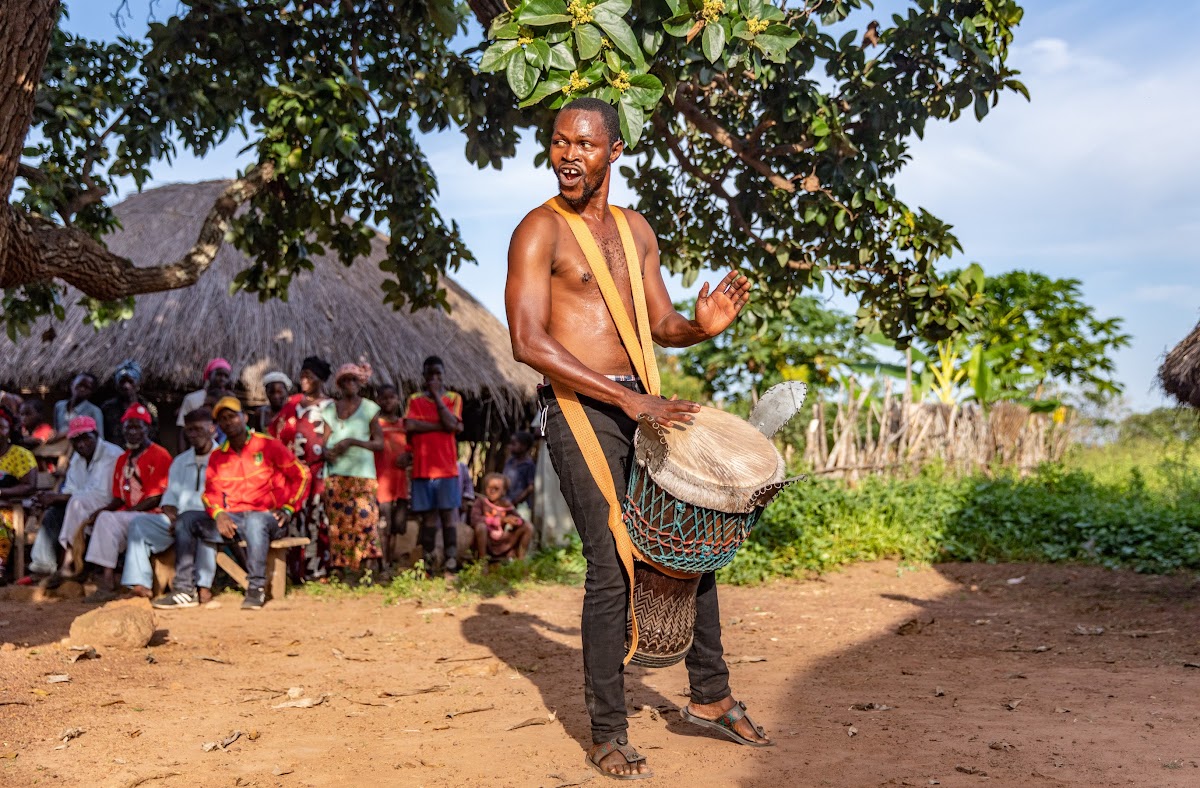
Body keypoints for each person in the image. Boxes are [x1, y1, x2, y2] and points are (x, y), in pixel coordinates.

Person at [505, 98, 761, 778]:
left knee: (689, 537)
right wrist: (627, 398)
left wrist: (702, 325)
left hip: (640, 400)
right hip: (581, 407)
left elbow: (660, 321)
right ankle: (608, 730)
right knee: (613, 561)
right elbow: (527, 341)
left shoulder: (635, 229)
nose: (568, 155)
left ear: (614, 152)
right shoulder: (539, 231)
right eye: (559, 143)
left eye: (583, 144)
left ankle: (709, 696)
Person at [205, 397, 310, 609]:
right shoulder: (217, 456)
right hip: (235, 518)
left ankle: (256, 587)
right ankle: (187, 587)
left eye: (232, 416)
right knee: (189, 521)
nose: (228, 422)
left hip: (270, 518)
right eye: (222, 419)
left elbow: (302, 475)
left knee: (255, 521)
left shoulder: (268, 445)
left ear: (244, 417)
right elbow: (210, 494)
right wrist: (218, 514)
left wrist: (289, 509)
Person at [124, 408, 220, 605]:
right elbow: (169, 499)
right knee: (139, 524)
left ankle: (202, 587)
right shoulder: (180, 461)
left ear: (212, 429)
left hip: (211, 519)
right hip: (177, 521)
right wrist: (173, 515)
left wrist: (185, 522)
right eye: (189, 431)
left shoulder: (222, 458)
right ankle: (140, 584)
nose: (193, 435)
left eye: (199, 429)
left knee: (200, 529)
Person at [83, 404, 172, 602]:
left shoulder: (160, 454)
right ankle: (107, 580)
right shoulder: (123, 459)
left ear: (147, 429)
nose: (132, 433)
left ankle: (114, 582)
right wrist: (102, 510)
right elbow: (118, 497)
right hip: (128, 515)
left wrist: (128, 512)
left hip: (154, 515)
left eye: (137, 427)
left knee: (111, 520)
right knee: (104, 518)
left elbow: (157, 496)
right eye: (128, 428)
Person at [31, 417, 123, 583]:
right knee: (54, 512)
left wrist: (58, 497)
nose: (81, 444)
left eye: (86, 438)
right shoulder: (77, 458)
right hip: (81, 505)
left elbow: (101, 494)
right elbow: (71, 489)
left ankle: (69, 562)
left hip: (109, 506)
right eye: (76, 440)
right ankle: (43, 566)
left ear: (96, 434)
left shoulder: (111, 455)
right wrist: (52, 498)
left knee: (74, 503)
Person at [320, 363, 384, 577]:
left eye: (353, 380)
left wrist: (352, 442)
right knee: (339, 521)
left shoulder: (369, 409)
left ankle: (366, 565)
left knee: (365, 518)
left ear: (360, 383)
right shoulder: (330, 410)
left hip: (363, 474)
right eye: (345, 381)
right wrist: (327, 452)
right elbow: (324, 442)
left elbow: (379, 444)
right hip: (336, 474)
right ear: (339, 385)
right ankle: (340, 566)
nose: (350, 384)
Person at [404, 356, 464, 576]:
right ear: (423, 376)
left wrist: (438, 399)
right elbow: (410, 424)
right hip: (423, 468)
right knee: (428, 517)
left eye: (438, 374)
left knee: (448, 515)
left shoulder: (453, 398)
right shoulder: (414, 400)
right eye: (430, 375)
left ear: (443, 375)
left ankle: (450, 562)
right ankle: (429, 564)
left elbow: (451, 424)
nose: (434, 379)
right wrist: (444, 426)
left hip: (446, 469)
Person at [275, 356, 333, 579]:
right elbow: (277, 434)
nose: (305, 380)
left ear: (321, 380)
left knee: (317, 518)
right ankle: (294, 570)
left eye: (310, 376)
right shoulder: (292, 404)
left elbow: (333, 439)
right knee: (293, 518)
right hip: (291, 475)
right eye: (303, 375)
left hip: (318, 473)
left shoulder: (329, 407)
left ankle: (316, 569)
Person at [373, 384, 411, 570]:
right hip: (381, 485)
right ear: (378, 401)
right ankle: (383, 562)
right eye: (384, 398)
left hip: (400, 485)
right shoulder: (375, 426)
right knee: (383, 525)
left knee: (397, 526)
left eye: (392, 397)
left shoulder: (404, 425)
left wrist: (408, 457)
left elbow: (413, 451)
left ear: (397, 399)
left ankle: (390, 561)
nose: (388, 401)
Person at [0, 412, 37, 584]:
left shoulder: (21, 455)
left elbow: (29, 486)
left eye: (1, 427)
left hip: (14, 509)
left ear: (9, 431)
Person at [469, 472, 533, 564]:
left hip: (503, 541)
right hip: (486, 541)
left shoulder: (506, 505)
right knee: (480, 527)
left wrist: (515, 521)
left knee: (528, 527)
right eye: (490, 488)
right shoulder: (481, 502)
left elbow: (520, 521)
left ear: (503, 491)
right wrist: (499, 520)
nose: (492, 491)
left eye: (496, 489)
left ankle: (520, 561)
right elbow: (474, 519)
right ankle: (483, 562)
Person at [177, 358, 235, 451]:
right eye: (219, 374)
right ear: (209, 375)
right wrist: (181, 459)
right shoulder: (192, 399)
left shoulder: (231, 401)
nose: (222, 379)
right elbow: (182, 431)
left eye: (226, 376)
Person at [100, 360, 159, 446]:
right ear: (117, 385)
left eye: (130, 382)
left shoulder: (149, 408)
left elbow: (154, 437)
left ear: (138, 384)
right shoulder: (107, 408)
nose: (126, 386)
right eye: (122, 382)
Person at [53, 373, 104, 440]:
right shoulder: (59, 406)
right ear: (72, 384)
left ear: (92, 392)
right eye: (79, 385)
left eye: (87, 387)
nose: (82, 389)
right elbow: (56, 431)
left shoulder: (94, 411)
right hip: (60, 448)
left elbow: (100, 438)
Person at [502, 431, 537, 525]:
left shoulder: (529, 465)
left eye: (514, 444)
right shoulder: (510, 461)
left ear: (524, 446)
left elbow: (530, 487)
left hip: (522, 506)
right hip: (507, 502)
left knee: (520, 526)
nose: (510, 446)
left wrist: (516, 501)